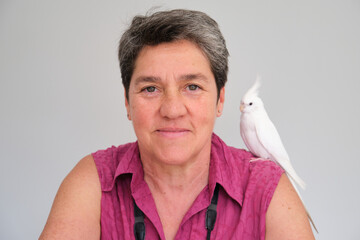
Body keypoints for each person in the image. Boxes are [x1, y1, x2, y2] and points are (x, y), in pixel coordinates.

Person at [39, 9, 315, 240]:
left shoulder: (267, 190)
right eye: (150, 89)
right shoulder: (93, 183)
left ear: (220, 100)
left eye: (192, 86)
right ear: (127, 102)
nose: (172, 110)